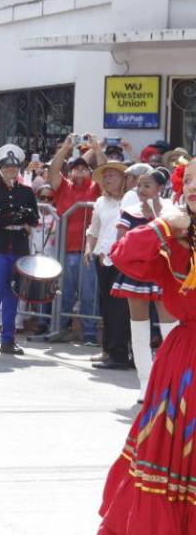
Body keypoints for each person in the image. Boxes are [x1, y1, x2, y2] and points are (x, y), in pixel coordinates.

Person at [96, 184, 196, 535]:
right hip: (188, 360)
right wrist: (161, 226)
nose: (193, 192)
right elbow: (122, 255)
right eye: (190, 185)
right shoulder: (176, 242)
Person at [110, 166, 176, 400]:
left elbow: (175, 243)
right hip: (136, 274)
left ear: (160, 188)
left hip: (163, 273)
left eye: (147, 185)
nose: (141, 190)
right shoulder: (129, 211)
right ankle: (145, 383)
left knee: (170, 330)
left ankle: (172, 381)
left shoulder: (172, 211)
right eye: (139, 185)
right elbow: (120, 243)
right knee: (138, 329)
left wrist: (155, 216)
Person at [0, 145, 39, 356]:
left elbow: (35, 219)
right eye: (7, 167)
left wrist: (26, 216)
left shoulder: (27, 192)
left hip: (18, 244)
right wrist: (10, 218)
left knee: (14, 292)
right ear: (0, 169)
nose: (11, 170)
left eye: (14, 167)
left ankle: (8, 339)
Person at [49, 135, 102, 345]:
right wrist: (65, 148)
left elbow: (105, 171)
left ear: (89, 171)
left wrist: (97, 149)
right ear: (70, 172)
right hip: (64, 251)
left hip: (86, 250)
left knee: (89, 294)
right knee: (64, 294)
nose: (80, 170)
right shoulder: (64, 186)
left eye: (83, 168)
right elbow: (54, 170)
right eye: (76, 168)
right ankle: (61, 329)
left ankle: (89, 335)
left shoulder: (95, 188)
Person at [87, 160, 133, 369]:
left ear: (123, 178)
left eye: (112, 175)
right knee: (105, 305)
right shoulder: (100, 202)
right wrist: (89, 248)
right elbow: (94, 228)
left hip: (124, 259)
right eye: (105, 176)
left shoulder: (131, 201)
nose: (107, 179)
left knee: (119, 308)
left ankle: (119, 354)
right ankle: (107, 349)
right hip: (103, 258)